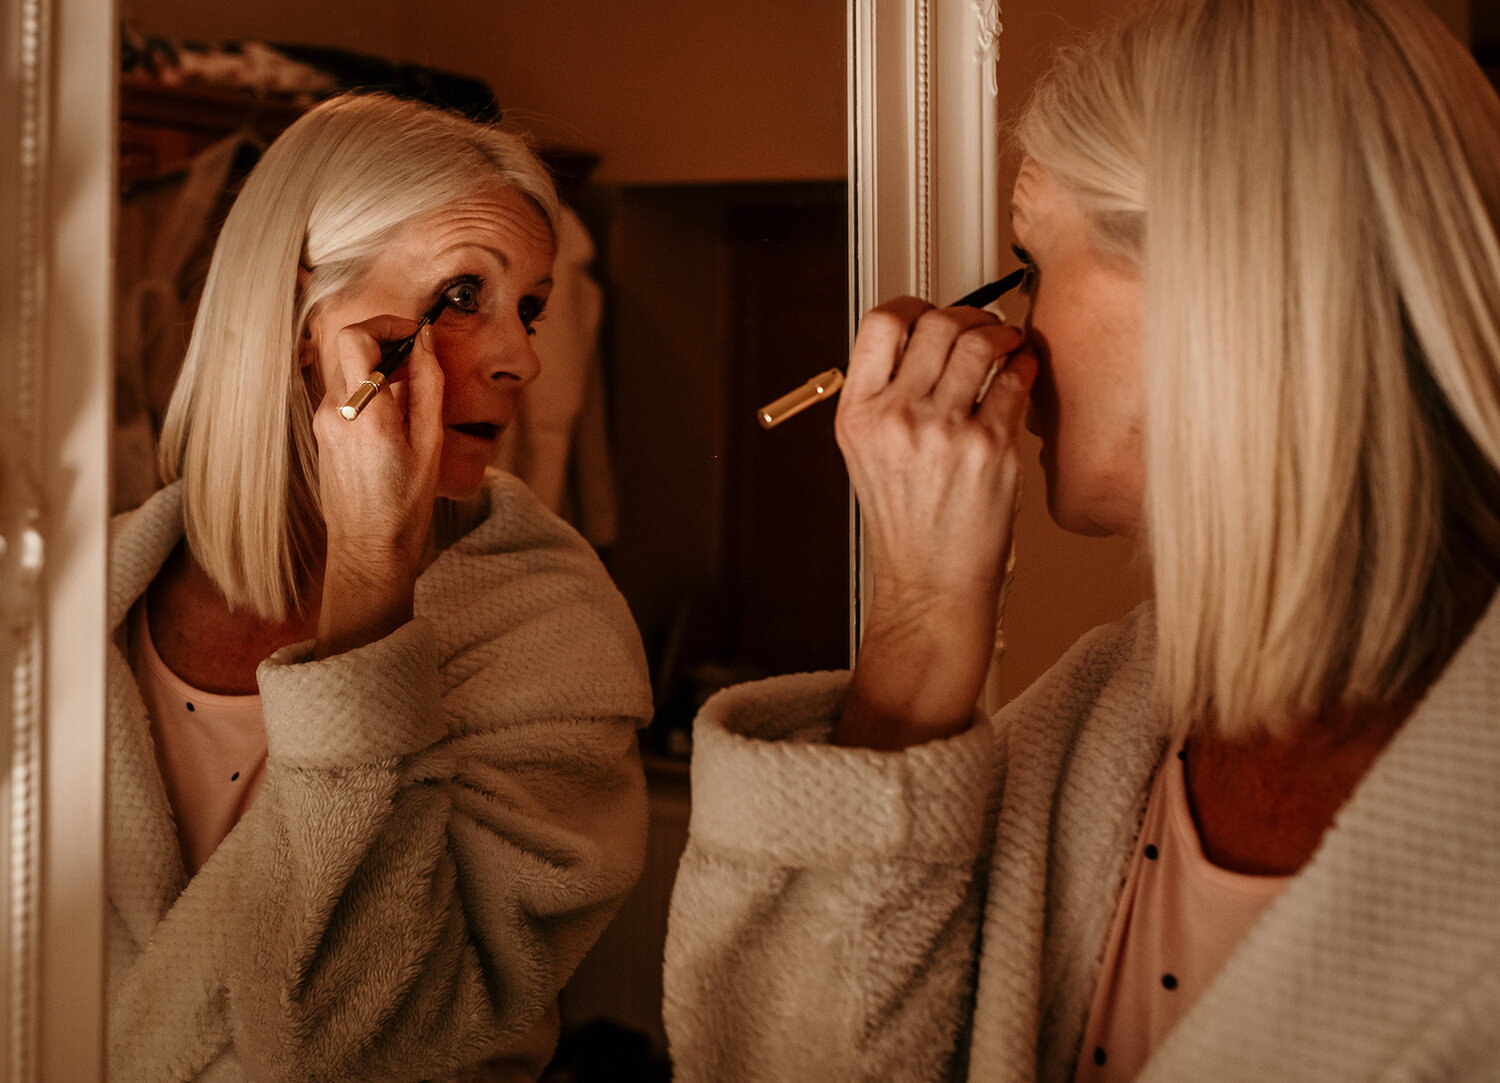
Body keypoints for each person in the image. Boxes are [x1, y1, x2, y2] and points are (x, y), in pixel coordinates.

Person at [662, 0, 1500, 1078]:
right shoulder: (1101, 719)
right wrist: (922, 607)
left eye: (1030, 267)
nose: (1006, 334)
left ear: (1221, 275)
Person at [107, 92, 653, 1082]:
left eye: (528, 309)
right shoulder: (64, 609)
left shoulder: (552, 634)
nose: (524, 357)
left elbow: (376, 1037)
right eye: (461, 297)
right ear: (306, 318)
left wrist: (371, 582)